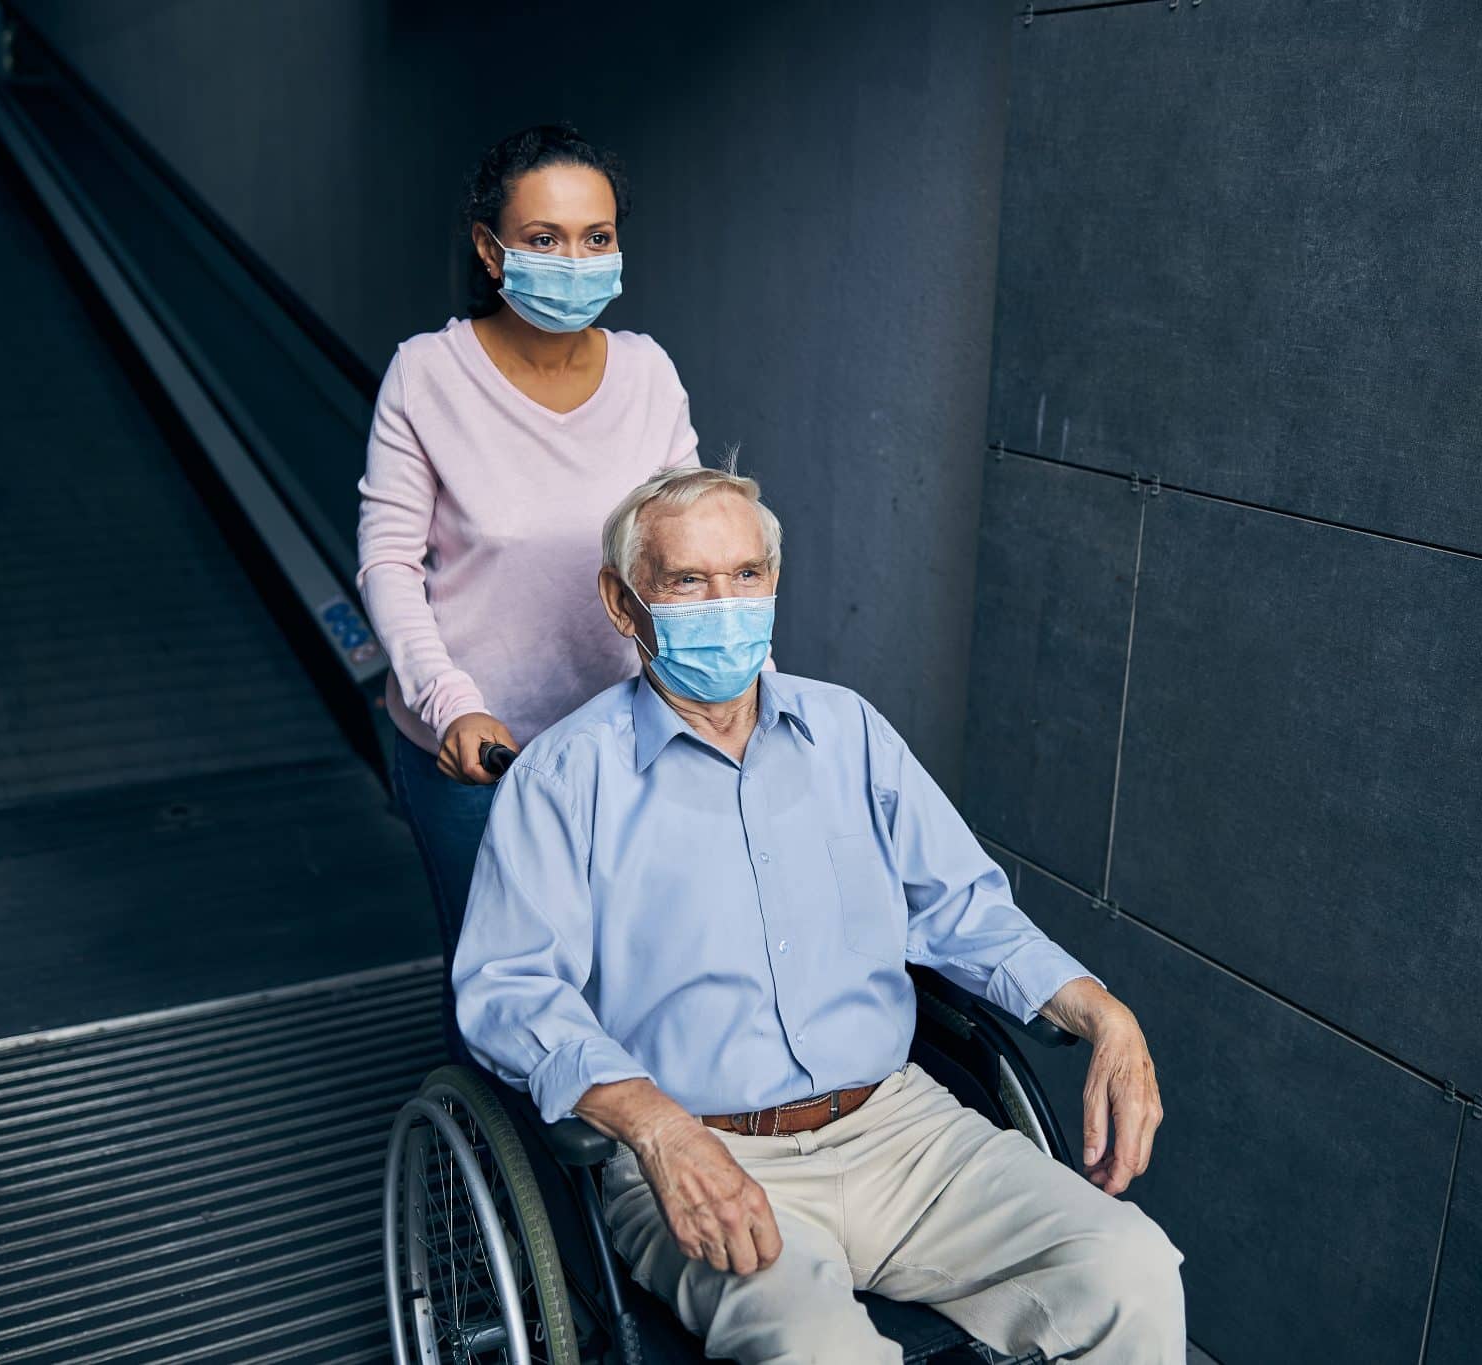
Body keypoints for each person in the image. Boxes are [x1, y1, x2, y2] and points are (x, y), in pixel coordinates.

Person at [453, 463, 1187, 1363]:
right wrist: (656, 1126)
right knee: (820, 1353)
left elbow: (962, 904)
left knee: (1130, 1269)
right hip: (707, 1149)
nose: (724, 602)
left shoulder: (851, 734)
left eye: (747, 575)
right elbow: (509, 987)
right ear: (622, 601)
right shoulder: (565, 779)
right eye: (687, 581)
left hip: (902, 1131)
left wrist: (1101, 1011)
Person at [356, 124, 699, 978]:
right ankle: (485, 1119)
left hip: (627, 744)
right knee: (499, 989)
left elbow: (690, 545)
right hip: (476, 756)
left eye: (598, 238)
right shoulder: (426, 374)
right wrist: (450, 703)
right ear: (490, 247)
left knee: (627, 978)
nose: (576, 261)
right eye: (545, 239)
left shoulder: (648, 374)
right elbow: (388, 562)